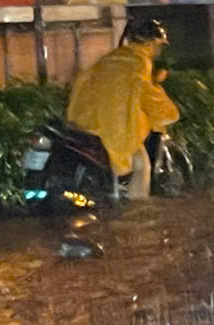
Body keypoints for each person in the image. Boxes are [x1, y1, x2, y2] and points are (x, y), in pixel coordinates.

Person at [63, 12, 180, 197]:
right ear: (152, 44)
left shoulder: (113, 57)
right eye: (159, 46)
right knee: (141, 165)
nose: (159, 51)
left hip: (88, 124)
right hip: (115, 128)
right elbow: (143, 91)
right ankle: (138, 208)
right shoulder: (139, 62)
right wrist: (168, 111)